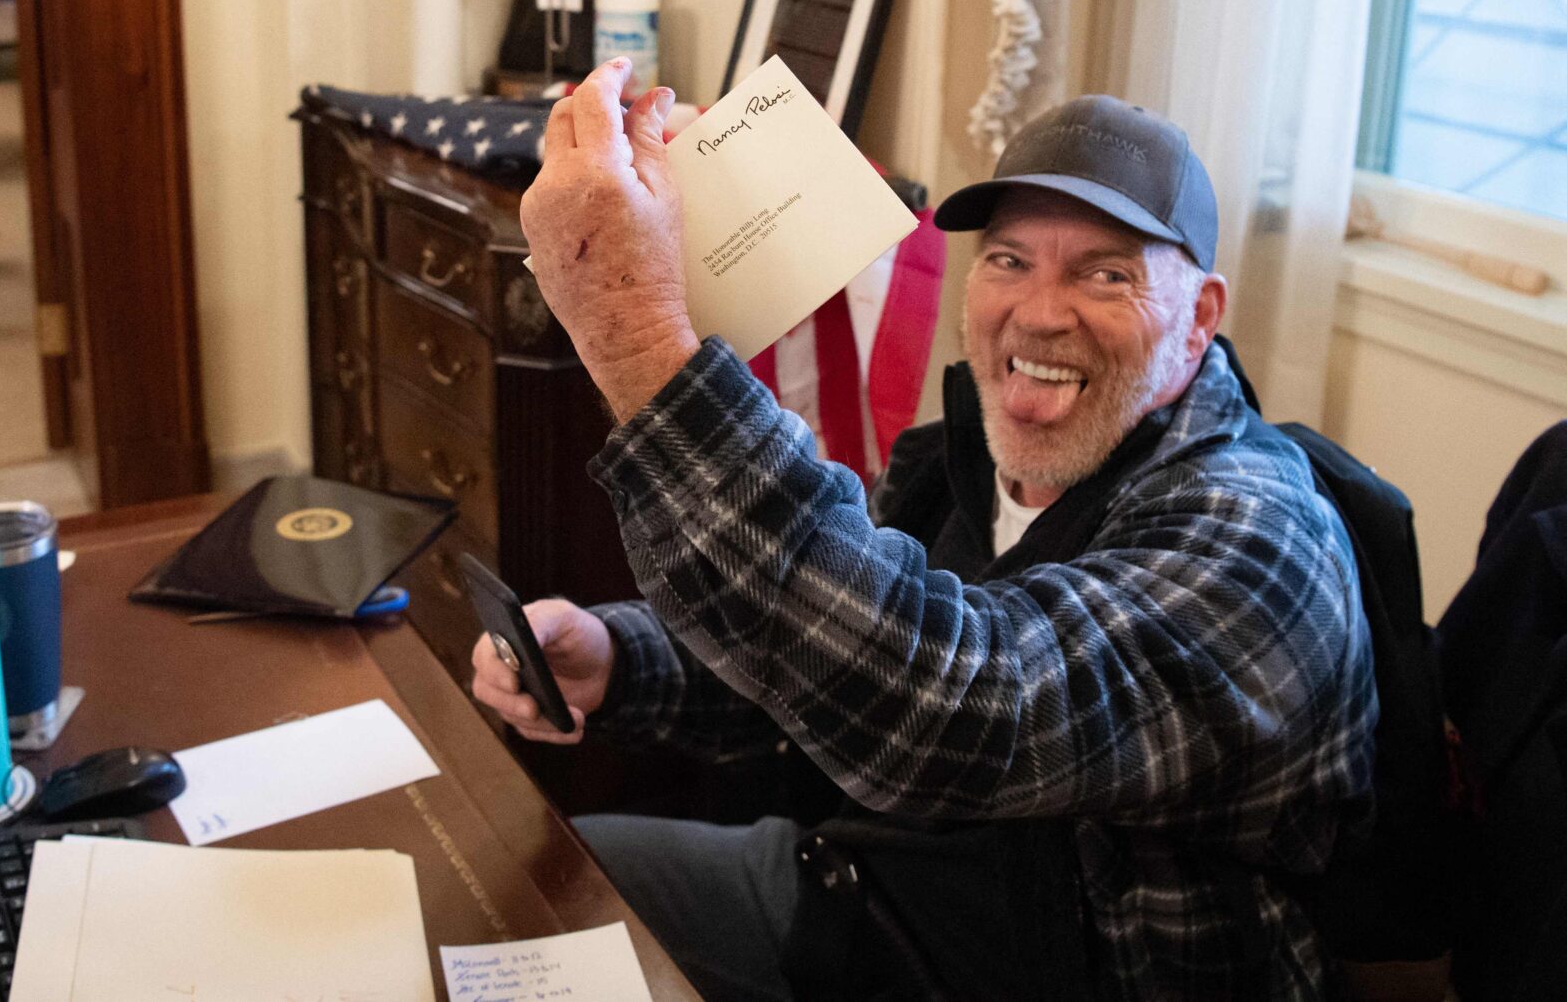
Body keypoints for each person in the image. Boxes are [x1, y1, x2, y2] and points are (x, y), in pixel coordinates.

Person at [472, 63, 1376, 1000]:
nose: (1039, 310)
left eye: (1106, 274)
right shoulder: (962, 458)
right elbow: (829, 649)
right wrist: (618, 658)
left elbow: (955, 712)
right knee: (521, 901)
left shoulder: (1259, 534)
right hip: (858, 901)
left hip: (1053, 969)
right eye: (1009, 259)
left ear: (1199, 319)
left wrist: (635, 327)